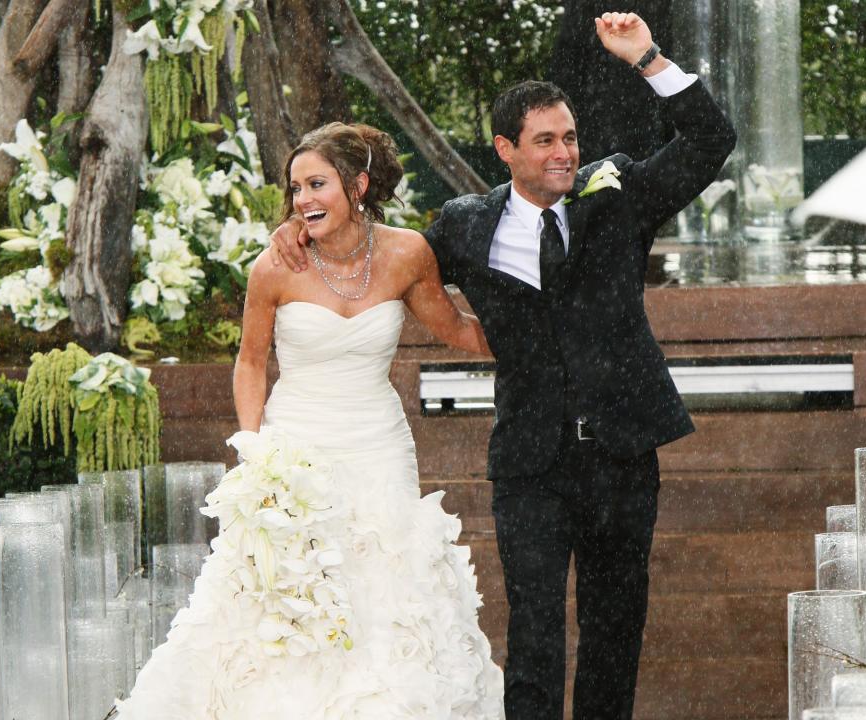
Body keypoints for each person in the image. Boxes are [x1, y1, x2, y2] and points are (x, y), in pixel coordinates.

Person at [270, 12, 737, 720]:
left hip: (622, 451)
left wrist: (647, 59)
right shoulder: (464, 223)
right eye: (545, 141)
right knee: (535, 636)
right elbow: (382, 257)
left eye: (570, 138)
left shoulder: (619, 195)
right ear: (504, 149)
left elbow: (711, 141)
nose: (563, 153)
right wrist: (304, 223)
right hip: (530, 462)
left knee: (614, 634)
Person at [114, 122, 505, 719]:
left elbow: (455, 329)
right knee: (288, 595)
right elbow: (249, 361)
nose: (303, 201)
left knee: (387, 592)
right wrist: (255, 451)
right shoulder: (274, 267)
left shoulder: (407, 254)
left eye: (316, 184)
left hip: (378, 446)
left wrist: (541, 338)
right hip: (295, 448)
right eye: (295, 189)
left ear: (358, 185)